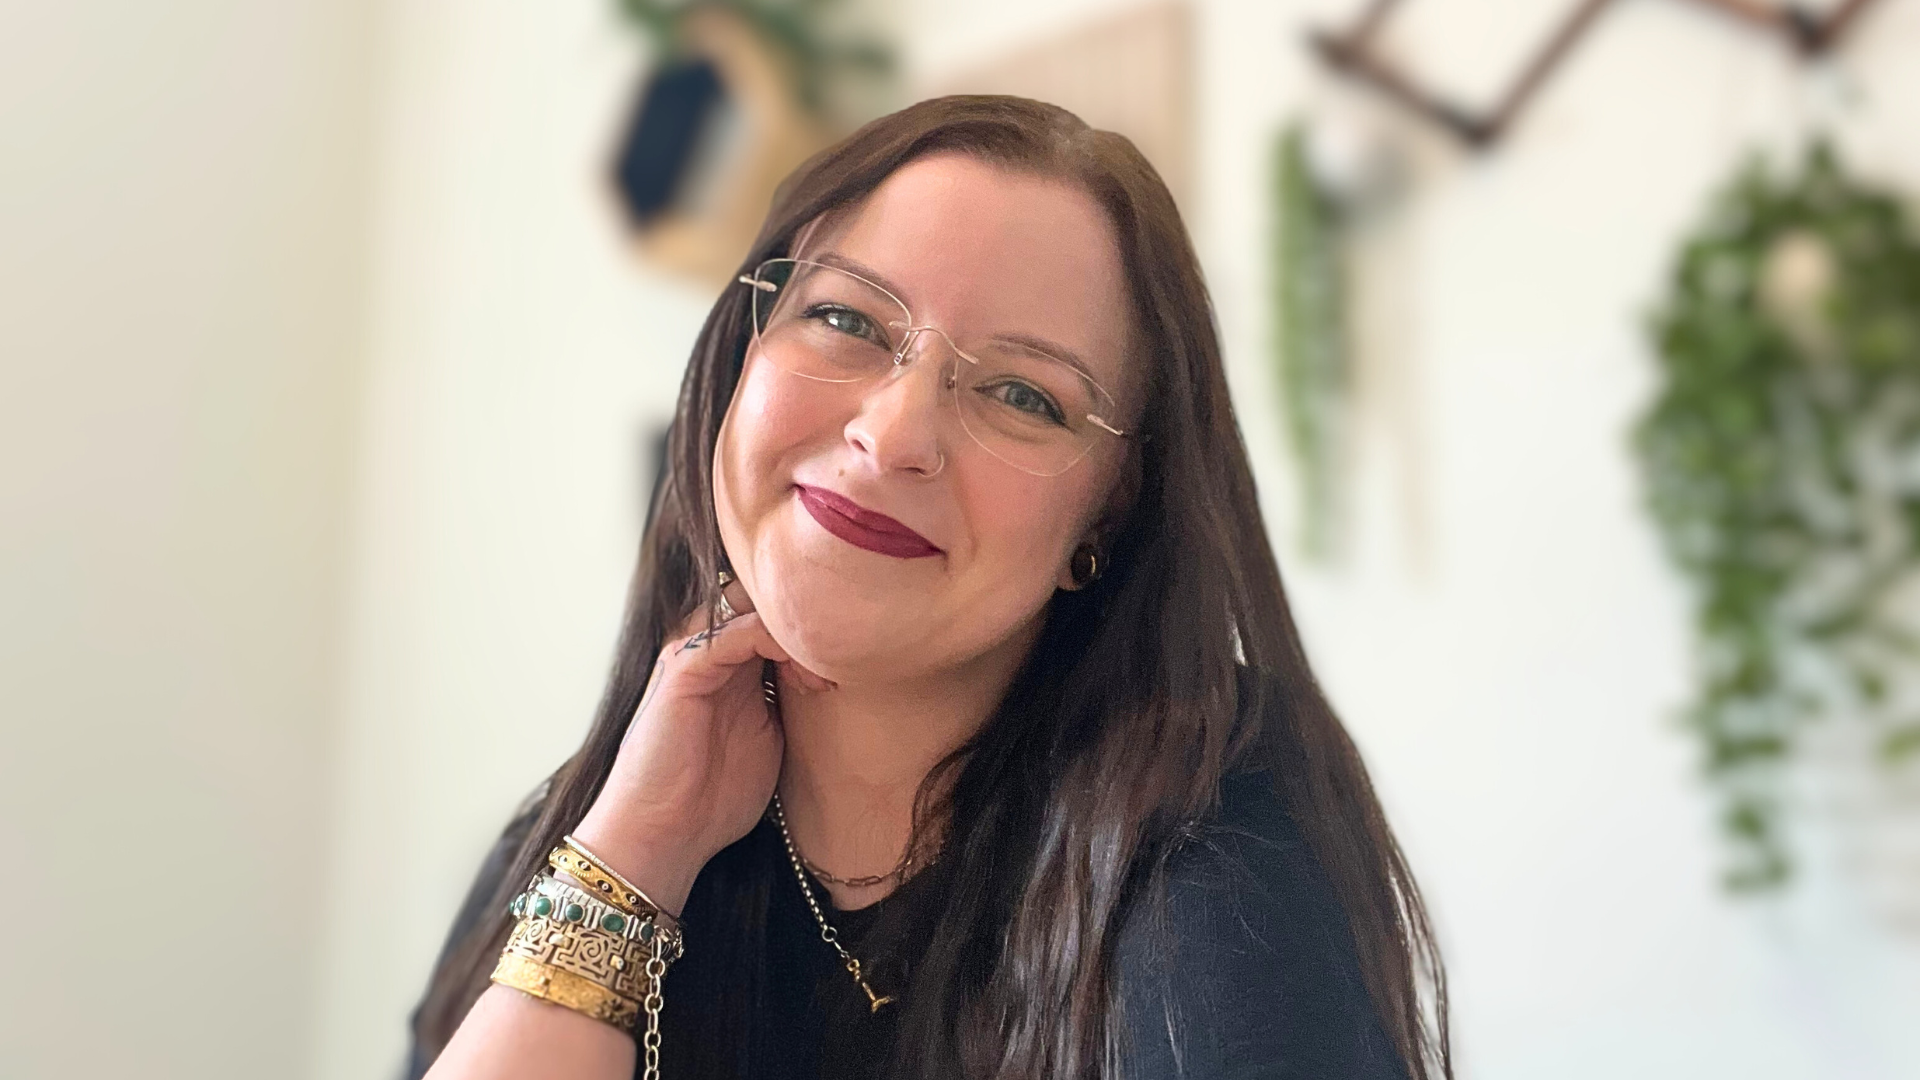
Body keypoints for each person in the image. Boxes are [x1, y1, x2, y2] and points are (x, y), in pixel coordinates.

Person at [405, 95, 1449, 1080]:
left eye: (1022, 394)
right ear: (740, 353)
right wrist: (633, 855)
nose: (894, 435)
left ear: (1108, 510)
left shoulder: (1210, 798)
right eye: (848, 321)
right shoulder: (576, 838)